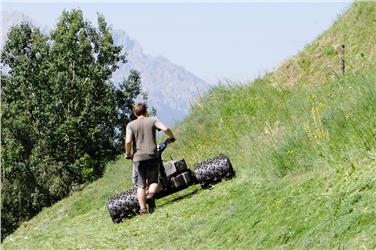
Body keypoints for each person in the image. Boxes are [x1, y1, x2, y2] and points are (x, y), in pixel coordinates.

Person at [125, 103, 175, 215]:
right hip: (152, 155)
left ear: (134, 113)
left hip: (138, 158)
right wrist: (171, 137)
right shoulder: (152, 120)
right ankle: (151, 196)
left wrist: (128, 154)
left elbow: (128, 141)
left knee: (141, 185)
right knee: (153, 181)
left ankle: (142, 209)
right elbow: (165, 128)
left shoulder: (130, 125)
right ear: (146, 111)